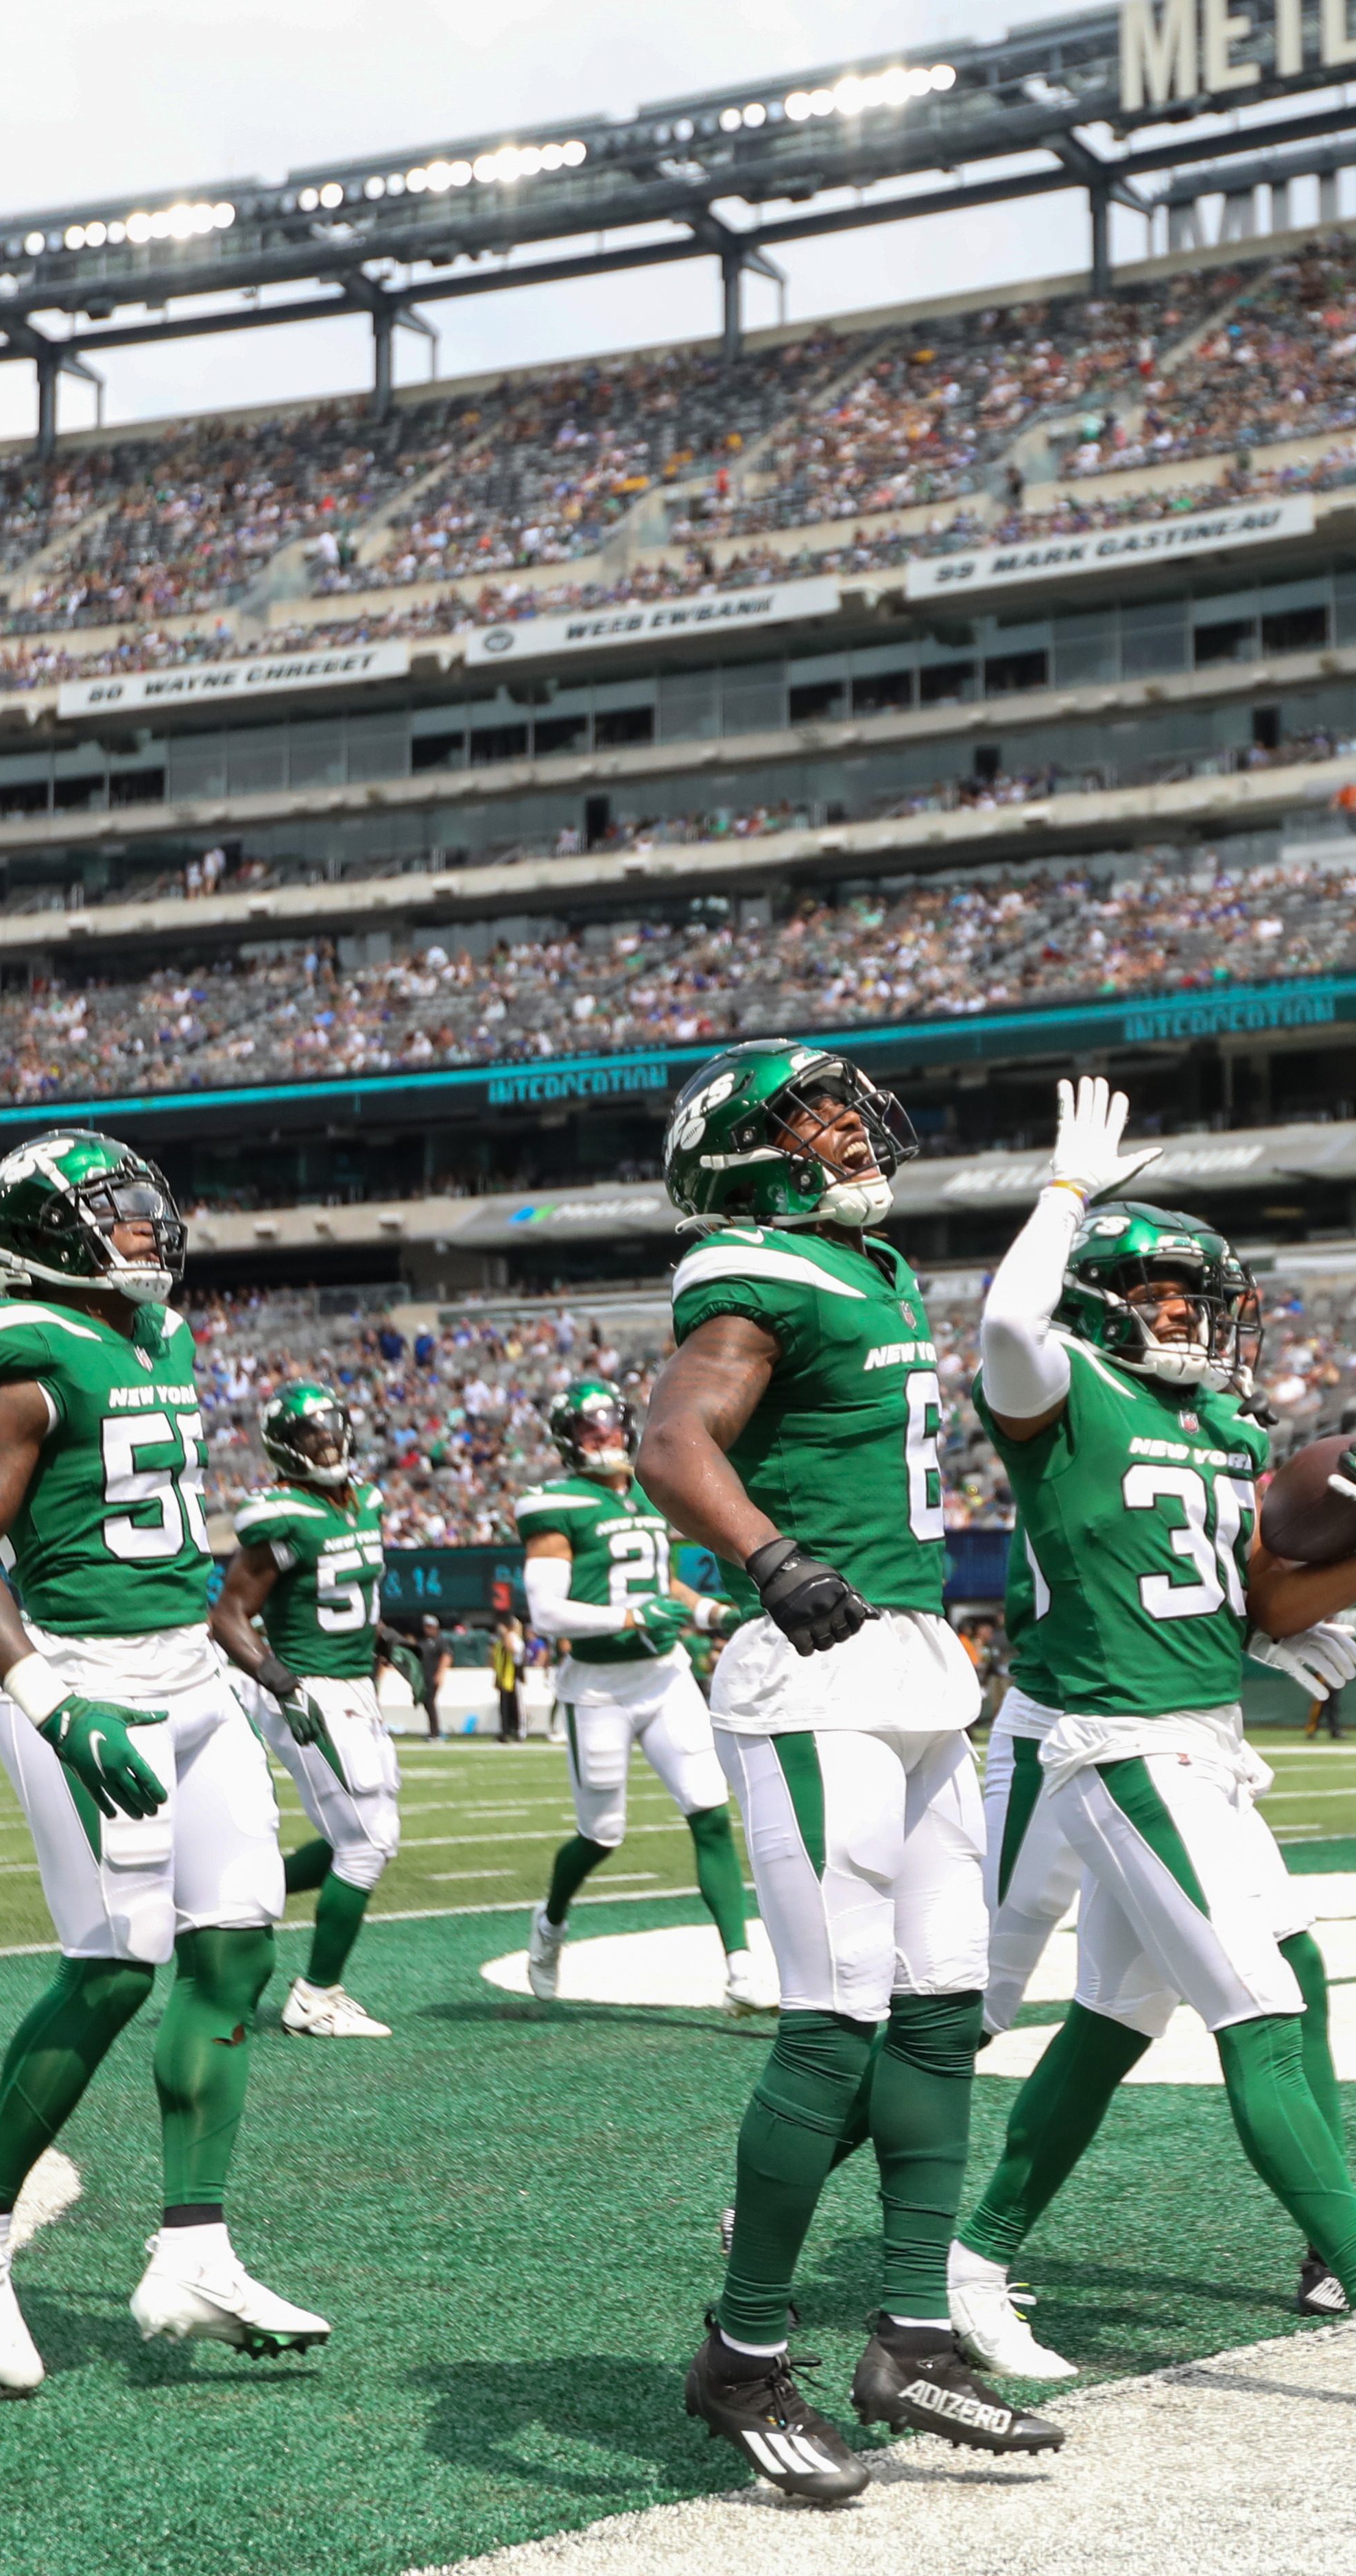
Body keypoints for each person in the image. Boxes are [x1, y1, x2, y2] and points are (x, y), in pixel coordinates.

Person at [948, 1084, 1356, 2410]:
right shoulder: (1064, 1389)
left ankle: (971, 2260)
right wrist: (1063, 1194)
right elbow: (1001, 1319)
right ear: (1104, 1296)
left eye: (1196, 1298)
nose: (1184, 1317)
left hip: (1201, 1742)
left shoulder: (1227, 1428)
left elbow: (1253, 1607)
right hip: (1114, 1744)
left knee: (1122, 2014)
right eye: (1158, 1292)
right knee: (1249, 2010)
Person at [641, 1039, 1054, 2502]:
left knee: (942, 2011)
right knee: (829, 2028)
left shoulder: (867, 1271)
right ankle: (740, 2357)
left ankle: (912, 2339)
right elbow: (671, 1434)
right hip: (811, 1673)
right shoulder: (748, 1266)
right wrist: (765, 1557)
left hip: (914, 1671)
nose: (850, 1127)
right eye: (813, 1115)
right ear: (749, 1153)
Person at [0, 1129, 330, 2398]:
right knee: (111, 1967)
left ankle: (194, 2247)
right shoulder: (14, 1353)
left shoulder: (155, 1335)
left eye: (144, 1210)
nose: (148, 1229)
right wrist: (52, 1706)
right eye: (115, 1214)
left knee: (236, 1946)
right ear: (42, 1234)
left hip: (190, 1678)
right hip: (87, 1681)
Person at [516, 1376, 764, 2015]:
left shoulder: (649, 1493)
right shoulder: (556, 1503)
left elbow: (662, 1587)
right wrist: (629, 1620)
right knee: (601, 1836)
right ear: (568, 1441)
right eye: (587, 1427)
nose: (603, 1434)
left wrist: (710, 1613)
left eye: (609, 1421)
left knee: (710, 1811)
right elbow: (546, 1611)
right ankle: (550, 1921)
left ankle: (740, 1966)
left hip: (665, 1676)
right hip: (599, 1687)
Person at [217, 1381, 407, 2041]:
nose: (325, 1442)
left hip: (356, 1683)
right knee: (366, 1840)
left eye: (331, 1429)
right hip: (309, 1686)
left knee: (356, 1834)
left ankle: (233, 1902)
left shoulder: (366, 1503)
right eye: (308, 1435)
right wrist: (281, 1685)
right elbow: (230, 1617)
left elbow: (344, 1592)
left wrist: (385, 1640)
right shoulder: (283, 1516)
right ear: (282, 1448)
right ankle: (316, 1995)